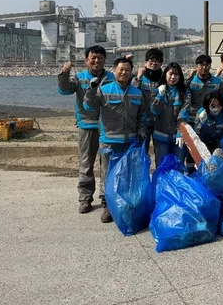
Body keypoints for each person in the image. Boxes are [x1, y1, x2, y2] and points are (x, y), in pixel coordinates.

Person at [83, 57, 145, 224]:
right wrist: (91, 89)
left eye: (127, 70)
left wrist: (141, 132)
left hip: (130, 141)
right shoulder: (104, 90)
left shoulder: (137, 93)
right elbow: (89, 106)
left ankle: (124, 205)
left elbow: (142, 116)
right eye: (121, 69)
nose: (124, 72)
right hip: (109, 141)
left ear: (131, 72)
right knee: (108, 174)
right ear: (114, 70)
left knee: (126, 174)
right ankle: (107, 206)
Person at [57, 45, 114, 214]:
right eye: (93, 58)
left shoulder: (112, 77)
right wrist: (64, 73)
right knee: (86, 163)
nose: (96, 61)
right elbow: (64, 90)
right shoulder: (80, 77)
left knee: (107, 165)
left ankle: (106, 199)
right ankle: (85, 198)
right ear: (86, 60)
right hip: (87, 125)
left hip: (107, 127)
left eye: (100, 58)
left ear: (105, 60)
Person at [149, 62, 190, 167]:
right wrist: (160, 96)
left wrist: (181, 132)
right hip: (161, 137)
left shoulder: (184, 93)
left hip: (178, 138)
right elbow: (155, 111)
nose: (173, 77)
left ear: (180, 76)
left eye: (176, 74)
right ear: (165, 74)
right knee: (162, 167)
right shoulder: (157, 91)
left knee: (178, 166)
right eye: (170, 74)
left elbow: (184, 113)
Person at [131, 48, 164, 153]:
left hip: (159, 121)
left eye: (157, 61)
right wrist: (138, 77)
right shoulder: (139, 77)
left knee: (160, 151)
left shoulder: (164, 78)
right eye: (151, 60)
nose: (154, 63)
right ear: (146, 62)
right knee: (141, 151)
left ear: (161, 63)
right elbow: (131, 92)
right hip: (142, 122)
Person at [184, 54, 223, 125]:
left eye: (207, 65)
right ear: (196, 66)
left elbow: (222, 101)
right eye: (201, 65)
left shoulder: (218, 82)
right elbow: (183, 95)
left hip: (210, 118)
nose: (204, 67)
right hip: (192, 118)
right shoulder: (191, 81)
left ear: (210, 66)